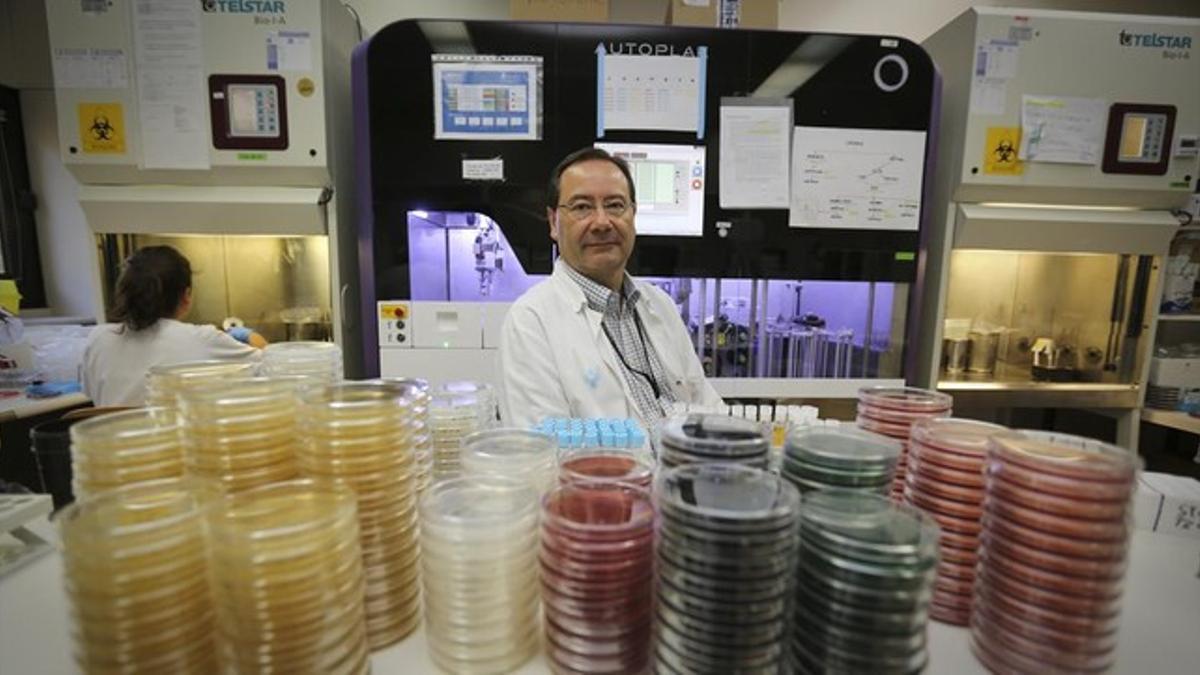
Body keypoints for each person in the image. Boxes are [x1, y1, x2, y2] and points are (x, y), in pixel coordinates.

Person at [498, 148, 723, 428]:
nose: (602, 222)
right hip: (613, 474)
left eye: (615, 205)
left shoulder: (659, 304)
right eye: (582, 207)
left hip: (687, 470)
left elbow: (706, 405)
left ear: (633, 214)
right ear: (553, 223)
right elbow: (540, 450)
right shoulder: (530, 322)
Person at [82, 245, 265, 406]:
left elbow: (91, 394)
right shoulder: (204, 339)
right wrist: (250, 336)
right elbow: (276, 367)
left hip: (114, 444)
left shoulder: (98, 339)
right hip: (179, 443)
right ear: (186, 296)